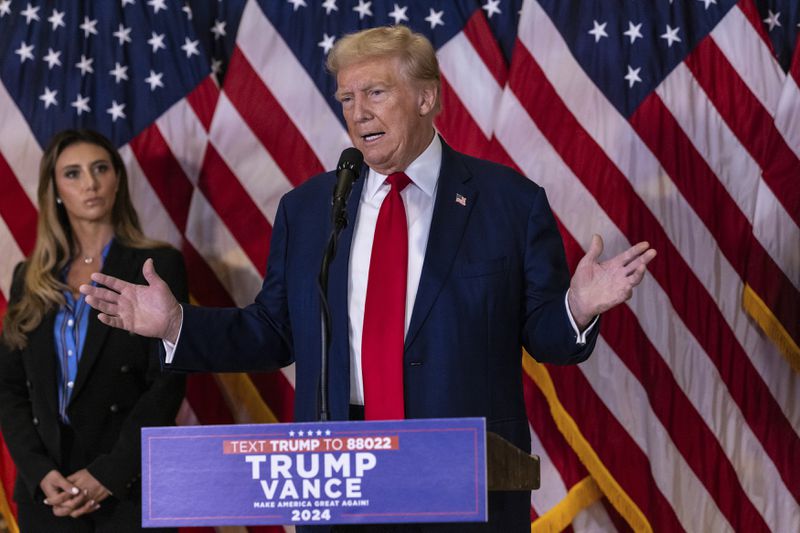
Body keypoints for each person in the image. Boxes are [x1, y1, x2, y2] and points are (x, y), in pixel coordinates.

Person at [80, 26, 656, 532]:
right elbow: (273, 331)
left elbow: (546, 336)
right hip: (339, 478)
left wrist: (577, 307)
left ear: (427, 97)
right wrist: (178, 325)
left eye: (375, 93)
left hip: (462, 477)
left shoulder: (508, 203)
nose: (358, 112)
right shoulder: (310, 210)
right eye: (347, 98)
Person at [0, 129, 188, 532]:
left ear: (117, 179)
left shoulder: (157, 266)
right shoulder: (29, 277)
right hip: (50, 492)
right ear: (54, 190)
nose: (90, 183)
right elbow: (10, 387)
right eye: (73, 173)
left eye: (100, 168)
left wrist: (111, 473)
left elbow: (167, 383)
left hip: (130, 485)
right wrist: (37, 472)